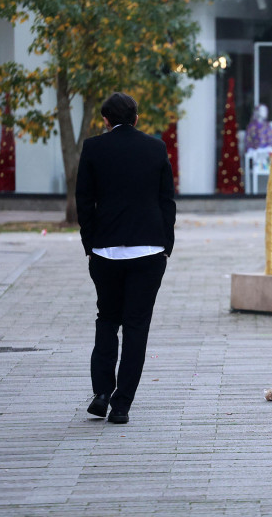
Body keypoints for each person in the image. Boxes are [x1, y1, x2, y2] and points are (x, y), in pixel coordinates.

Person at [75, 92, 176, 424]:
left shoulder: (93, 148)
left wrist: (90, 244)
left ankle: (102, 391)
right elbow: (166, 201)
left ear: (105, 119)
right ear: (137, 117)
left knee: (107, 319)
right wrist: (166, 243)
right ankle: (121, 405)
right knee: (136, 326)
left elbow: (84, 200)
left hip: (106, 251)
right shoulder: (156, 148)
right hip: (148, 250)